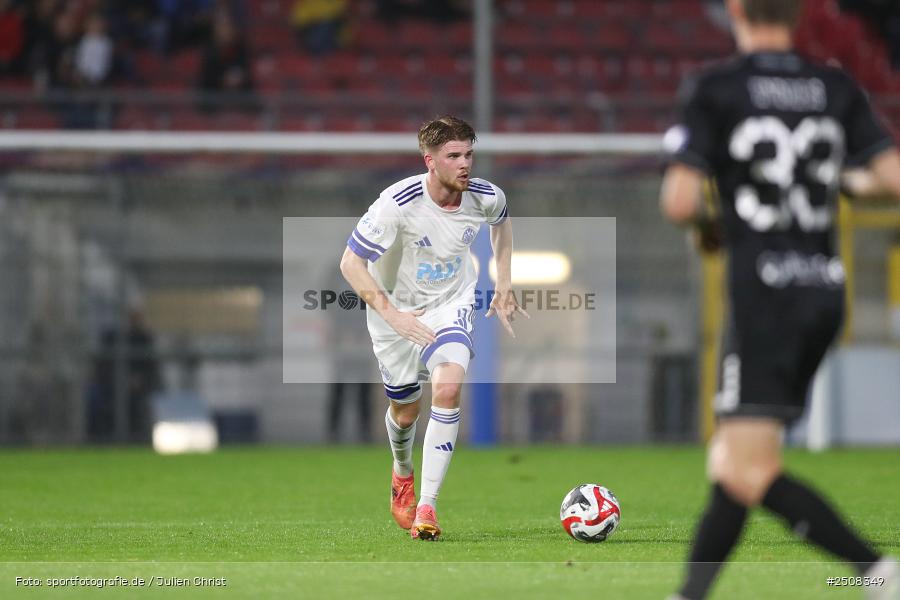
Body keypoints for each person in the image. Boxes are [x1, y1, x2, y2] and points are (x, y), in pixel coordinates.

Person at [660, 1, 900, 598]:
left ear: (735, 9)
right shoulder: (833, 85)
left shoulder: (717, 88)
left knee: (749, 467)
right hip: (822, 290)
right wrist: (837, 181)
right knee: (732, 463)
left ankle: (878, 574)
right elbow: (890, 178)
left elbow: (681, 202)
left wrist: (711, 221)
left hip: (765, 295)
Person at [340, 115, 528, 541]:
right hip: (394, 313)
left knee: (447, 387)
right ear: (430, 161)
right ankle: (402, 470)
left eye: (469, 154)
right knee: (405, 412)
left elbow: (502, 222)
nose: (466, 164)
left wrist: (504, 284)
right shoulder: (397, 203)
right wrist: (394, 316)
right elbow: (350, 264)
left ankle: (427, 506)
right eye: (454, 156)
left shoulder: (484, 196)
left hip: (451, 303)